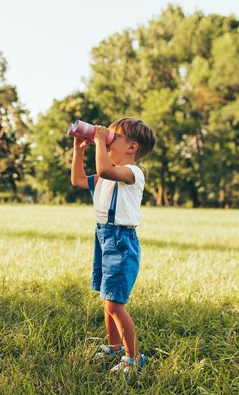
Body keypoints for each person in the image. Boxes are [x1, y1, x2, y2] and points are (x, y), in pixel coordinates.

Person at [70, 117, 157, 373]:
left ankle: (133, 357)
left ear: (132, 147)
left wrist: (98, 140)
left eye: (112, 137)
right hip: (103, 237)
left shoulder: (132, 173)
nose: (106, 140)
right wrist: (78, 150)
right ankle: (114, 346)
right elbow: (77, 180)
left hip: (120, 241)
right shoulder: (105, 176)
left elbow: (107, 169)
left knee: (114, 302)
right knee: (107, 297)